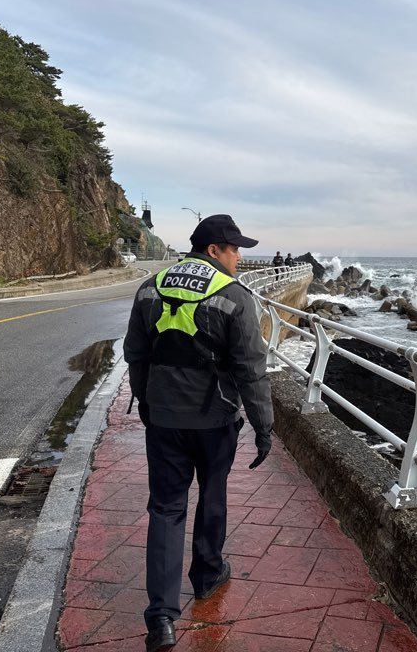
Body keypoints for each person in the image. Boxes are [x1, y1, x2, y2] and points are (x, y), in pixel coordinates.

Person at [124, 214, 274, 652]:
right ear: (213, 250)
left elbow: (136, 354)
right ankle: (207, 576)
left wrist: (148, 404)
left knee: (166, 510)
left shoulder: (150, 287)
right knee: (212, 494)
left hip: (165, 421)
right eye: (234, 249)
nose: (240, 257)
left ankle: (162, 619)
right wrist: (264, 428)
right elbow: (251, 372)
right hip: (215, 421)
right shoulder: (233, 297)